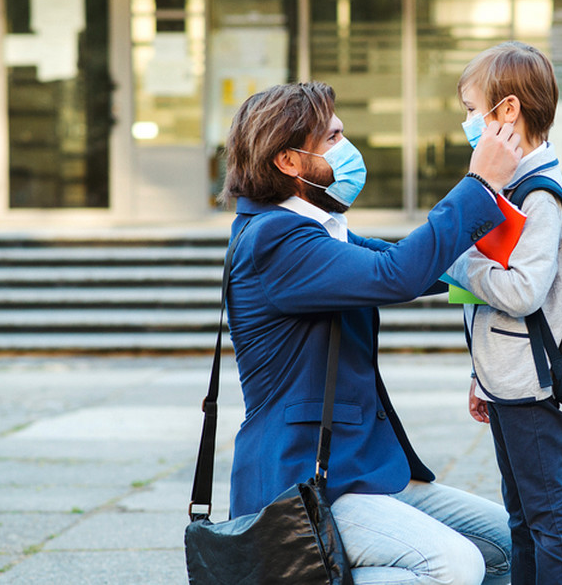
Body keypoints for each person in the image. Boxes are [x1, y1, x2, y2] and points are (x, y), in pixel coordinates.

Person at [220, 81, 519, 585]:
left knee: (506, 543)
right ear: (289, 162)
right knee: (455, 563)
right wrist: (478, 185)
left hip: (358, 469)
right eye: (333, 137)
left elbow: (416, 268)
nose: (347, 147)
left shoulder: (316, 230)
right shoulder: (276, 239)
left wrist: (512, 262)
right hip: (304, 482)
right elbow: (397, 274)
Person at [445, 42, 562, 584]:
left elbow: (523, 291)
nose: (466, 122)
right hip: (506, 379)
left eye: (470, 110)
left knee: (549, 518)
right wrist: (479, 373)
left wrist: (457, 263)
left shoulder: (539, 196)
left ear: (506, 112)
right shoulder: (511, 188)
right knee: (523, 516)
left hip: (529, 386)